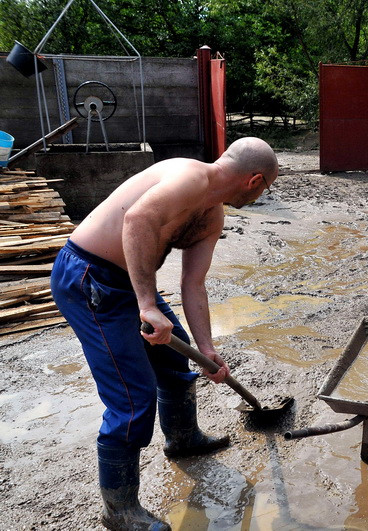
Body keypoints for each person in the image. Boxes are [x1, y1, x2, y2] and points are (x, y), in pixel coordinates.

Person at [50, 137, 279, 530]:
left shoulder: (211, 216)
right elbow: (137, 220)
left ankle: (183, 439)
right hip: (90, 278)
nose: (262, 196)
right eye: (266, 189)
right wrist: (147, 305)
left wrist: (207, 348)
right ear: (254, 180)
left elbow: (194, 283)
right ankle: (119, 511)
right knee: (132, 397)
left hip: (129, 283)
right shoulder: (189, 176)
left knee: (177, 356)